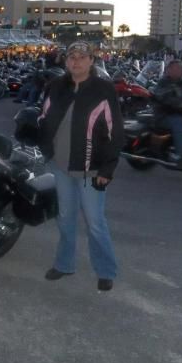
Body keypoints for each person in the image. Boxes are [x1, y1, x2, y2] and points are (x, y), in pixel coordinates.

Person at [38, 41, 123, 292]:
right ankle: (64, 264)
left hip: (91, 168)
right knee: (65, 218)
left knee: (95, 222)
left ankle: (106, 270)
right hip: (60, 165)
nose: (76, 61)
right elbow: (43, 117)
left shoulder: (103, 89)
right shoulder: (55, 86)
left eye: (82, 57)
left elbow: (115, 131)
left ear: (91, 61)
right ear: (65, 61)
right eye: (71, 56)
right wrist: (45, 148)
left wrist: (108, 169)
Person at [152, 60, 182, 165]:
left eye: (181, 69)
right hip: (164, 115)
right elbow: (163, 98)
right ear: (169, 70)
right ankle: (180, 154)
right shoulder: (163, 83)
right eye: (176, 69)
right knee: (178, 121)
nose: (180, 71)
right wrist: (181, 104)